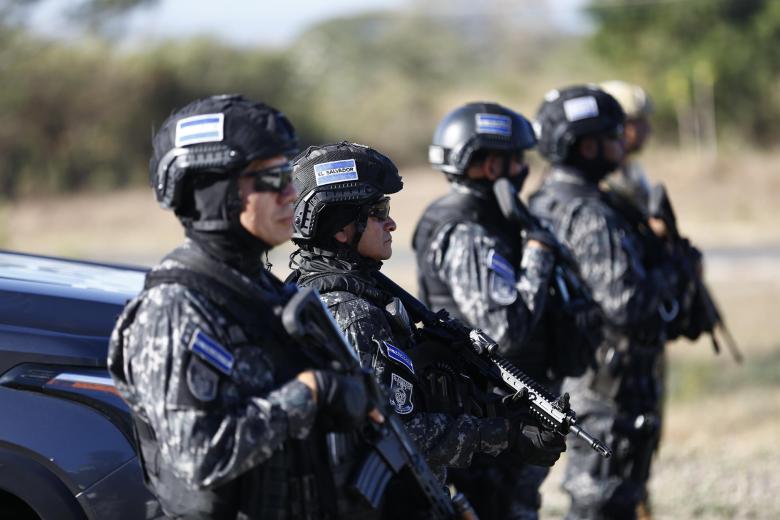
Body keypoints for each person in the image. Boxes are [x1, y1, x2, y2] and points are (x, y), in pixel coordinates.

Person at [107, 94, 380, 519]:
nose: (291, 194)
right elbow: (201, 457)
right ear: (215, 192)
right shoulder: (176, 307)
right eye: (271, 179)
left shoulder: (264, 291)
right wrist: (308, 393)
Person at [286, 141, 565, 513]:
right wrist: (507, 436)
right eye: (377, 211)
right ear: (340, 229)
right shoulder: (351, 311)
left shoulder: (358, 293)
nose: (391, 222)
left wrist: (496, 409)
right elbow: (401, 433)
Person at [529, 84, 696, 520]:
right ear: (586, 146)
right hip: (608, 392)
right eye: (612, 135)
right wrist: (674, 266)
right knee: (602, 500)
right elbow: (626, 302)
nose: (623, 143)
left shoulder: (548, 199)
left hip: (588, 381)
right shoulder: (591, 213)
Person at [413, 102, 564, 519]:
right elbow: (505, 327)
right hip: (485, 410)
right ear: (490, 165)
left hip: (494, 406)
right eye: (515, 159)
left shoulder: (488, 218)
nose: (522, 169)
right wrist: (538, 253)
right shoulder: (468, 230)